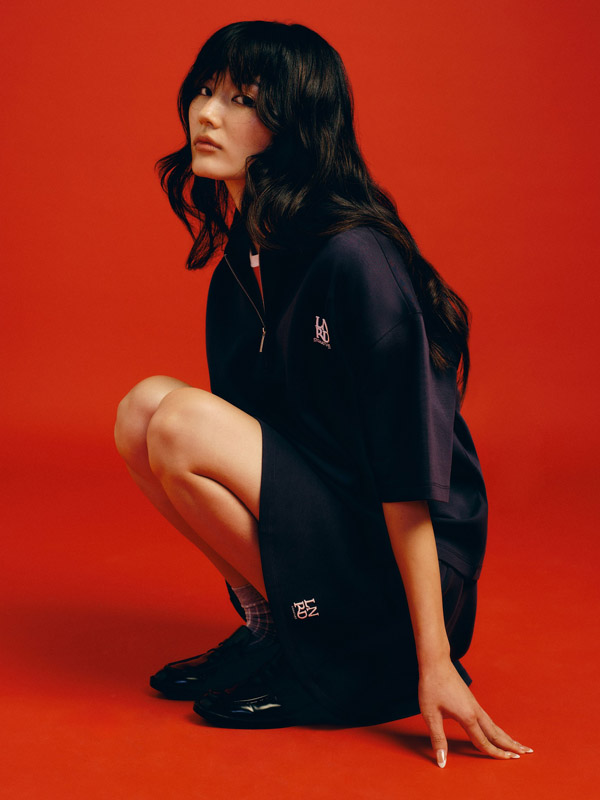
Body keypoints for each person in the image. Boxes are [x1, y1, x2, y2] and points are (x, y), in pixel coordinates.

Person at [114, 20, 532, 767]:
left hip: (407, 561)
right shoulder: (242, 263)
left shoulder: (354, 258)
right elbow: (262, 448)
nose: (207, 115)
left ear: (294, 125)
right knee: (142, 409)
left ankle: (355, 660)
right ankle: (276, 628)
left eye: (242, 100)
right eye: (205, 91)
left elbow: (408, 475)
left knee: (177, 421)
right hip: (329, 523)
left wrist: (433, 657)